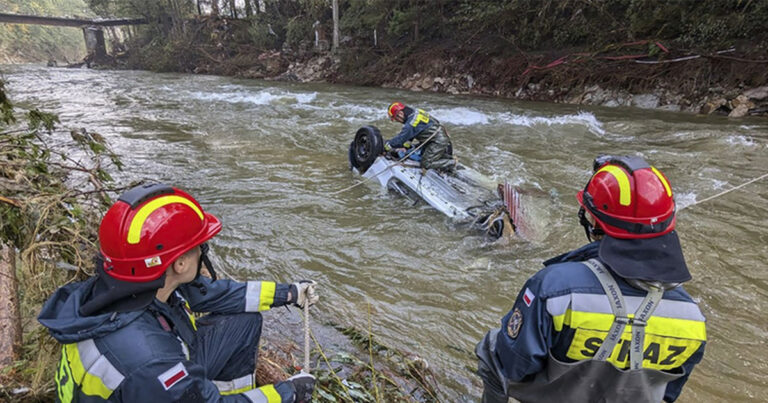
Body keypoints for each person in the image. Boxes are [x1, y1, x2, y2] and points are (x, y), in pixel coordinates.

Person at [38, 183, 318, 403]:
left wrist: (290, 293)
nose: (203, 251)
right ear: (180, 263)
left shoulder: (132, 283)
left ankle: (207, 390)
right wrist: (288, 393)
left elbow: (214, 294)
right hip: (152, 382)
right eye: (199, 247)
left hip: (149, 385)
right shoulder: (152, 361)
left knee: (244, 321)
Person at [475, 155, 707, 403]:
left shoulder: (554, 287)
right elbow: (669, 393)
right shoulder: (692, 316)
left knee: (491, 351)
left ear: (595, 220)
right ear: (668, 223)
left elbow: (513, 364)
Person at [385, 102, 454, 172]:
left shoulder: (410, 124)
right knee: (420, 154)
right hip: (436, 138)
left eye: (396, 119)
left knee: (426, 163)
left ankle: (452, 163)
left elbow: (400, 139)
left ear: (400, 114)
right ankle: (445, 160)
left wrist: (387, 145)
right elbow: (412, 134)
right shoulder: (416, 112)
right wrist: (406, 146)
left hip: (437, 141)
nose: (397, 121)